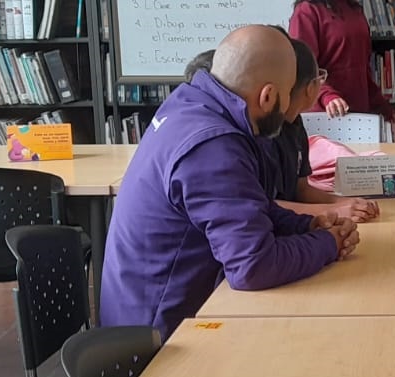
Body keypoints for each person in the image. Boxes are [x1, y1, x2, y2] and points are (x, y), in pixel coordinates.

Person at [101, 26, 360, 339]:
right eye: (287, 93)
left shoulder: (191, 102)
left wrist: (305, 226)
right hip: (155, 341)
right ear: (268, 96)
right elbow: (253, 267)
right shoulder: (214, 146)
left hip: (151, 311)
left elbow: (247, 204)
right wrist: (328, 243)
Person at [266, 39, 380, 223]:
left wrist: (345, 202)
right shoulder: (265, 133)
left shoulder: (295, 123)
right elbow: (265, 206)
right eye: (320, 78)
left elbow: (301, 189)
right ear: (311, 88)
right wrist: (333, 210)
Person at [288, 0, 395, 121]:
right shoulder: (306, 11)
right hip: (325, 113)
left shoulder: (355, 10)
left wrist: (382, 107)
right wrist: (327, 95)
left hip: (359, 114)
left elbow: (362, 71)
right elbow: (302, 69)